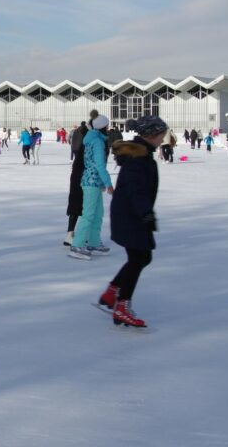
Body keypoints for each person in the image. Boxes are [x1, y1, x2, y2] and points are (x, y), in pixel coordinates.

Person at [96, 115, 168, 329]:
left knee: (140, 258)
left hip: (129, 213)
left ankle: (113, 294)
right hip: (131, 215)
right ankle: (121, 305)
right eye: (161, 137)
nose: (162, 141)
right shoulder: (139, 158)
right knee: (140, 258)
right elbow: (136, 190)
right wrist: (146, 214)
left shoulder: (141, 153)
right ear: (152, 135)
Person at [69, 115, 113, 260]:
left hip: (93, 181)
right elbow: (100, 165)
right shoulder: (98, 142)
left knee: (98, 214)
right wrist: (108, 184)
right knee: (88, 215)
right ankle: (77, 245)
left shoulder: (93, 139)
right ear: (103, 127)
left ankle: (93, 242)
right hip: (91, 181)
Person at [64, 120, 90, 247]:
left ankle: (70, 234)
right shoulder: (86, 145)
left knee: (75, 205)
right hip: (82, 178)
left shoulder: (77, 134)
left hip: (76, 176)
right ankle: (76, 235)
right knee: (84, 206)